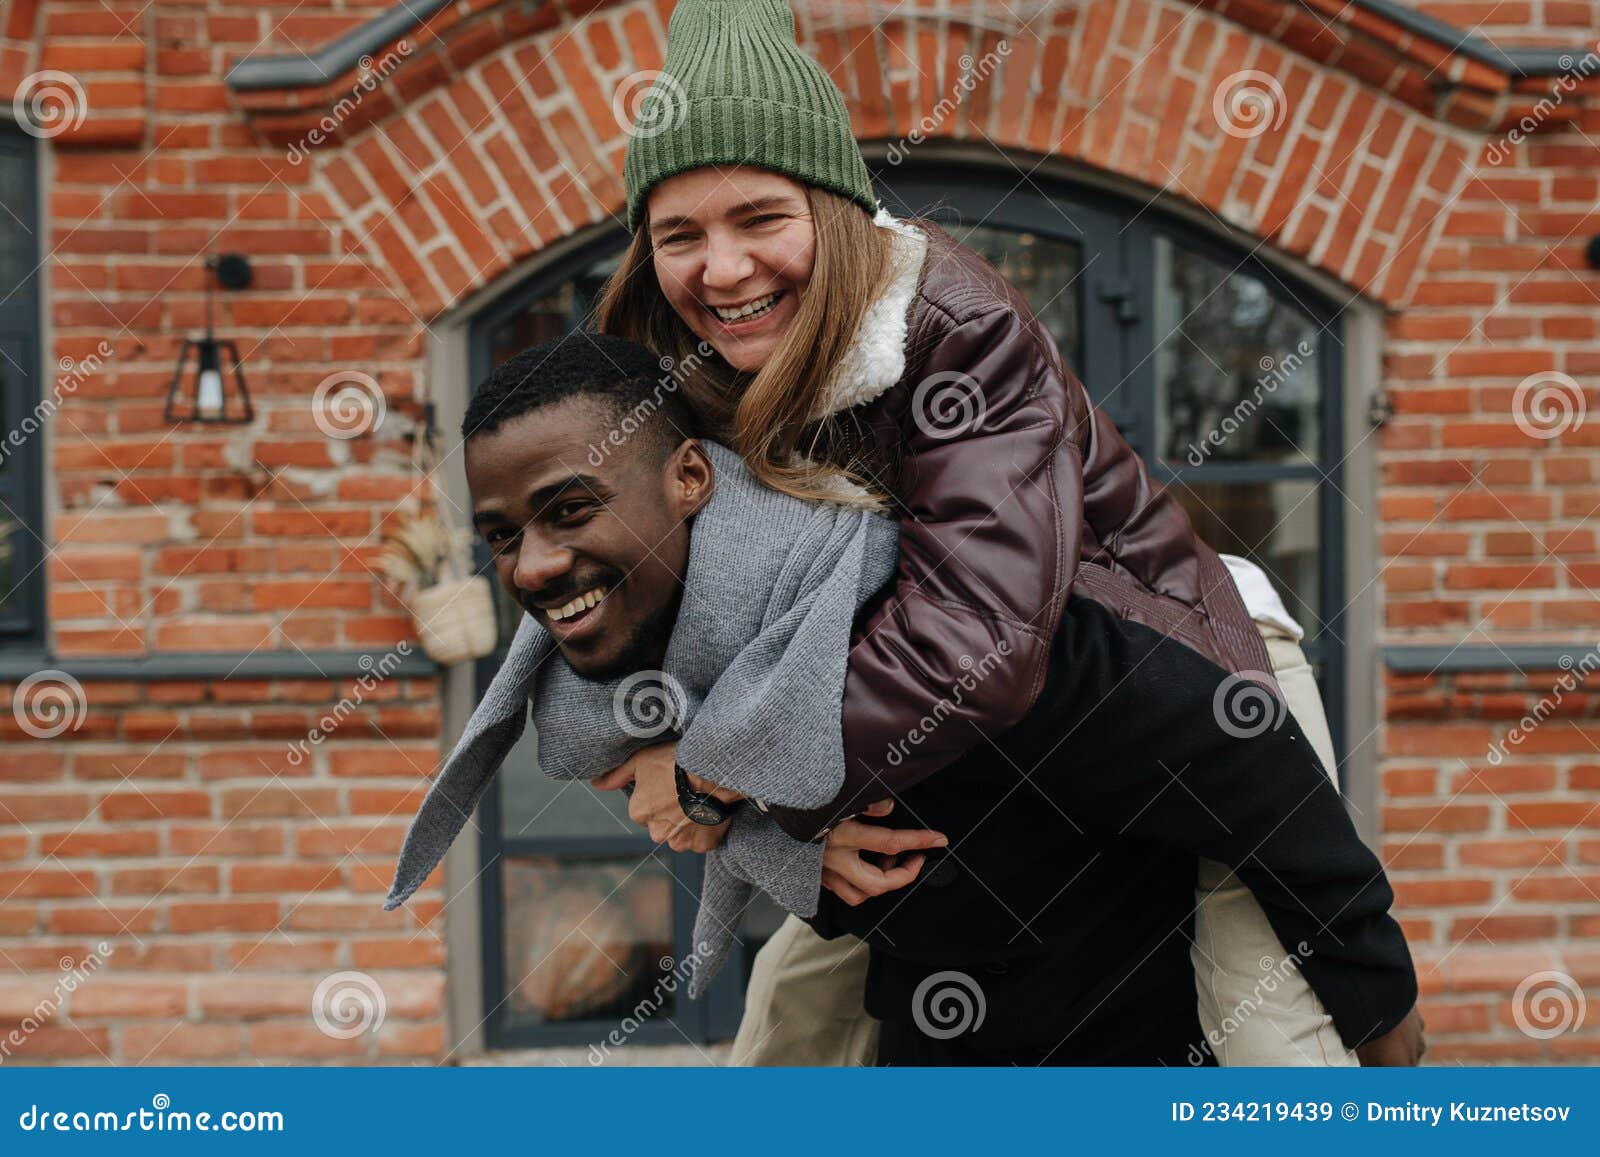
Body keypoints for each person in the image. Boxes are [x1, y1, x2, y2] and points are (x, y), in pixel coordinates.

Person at [590, 0, 1424, 1065]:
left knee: (1273, 1035)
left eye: (760, 217)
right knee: (788, 1029)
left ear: (836, 211)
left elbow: (977, 636)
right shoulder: (673, 378)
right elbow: (620, 610)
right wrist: (748, 799)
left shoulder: (952, 328)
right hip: (951, 716)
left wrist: (719, 775)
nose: (722, 267)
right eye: (680, 235)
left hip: (1185, 670)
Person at [390, 334, 1416, 1065]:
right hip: (936, 999)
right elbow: (695, 793)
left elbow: (1240, 762)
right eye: (500, 535)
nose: (534, 565)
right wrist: (768, 823)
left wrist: (1383, 1014)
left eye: (570, 509)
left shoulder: (929, 615)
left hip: (1114, 1017)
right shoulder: (608, 649)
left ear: (690, 478)